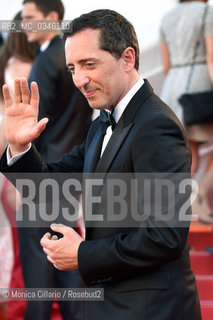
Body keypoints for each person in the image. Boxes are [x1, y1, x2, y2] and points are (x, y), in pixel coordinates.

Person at [0, 9, 201, 320]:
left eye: (89, 64)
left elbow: (165, 236)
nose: (80, 79)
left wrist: (81, 254)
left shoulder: (156, 125)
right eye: (72, 68)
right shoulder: (102, 124)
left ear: (128, 58)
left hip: (150, 311)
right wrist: (19, 145)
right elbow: (48, 185)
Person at [12, 1, 92, 320]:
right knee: (67, 264)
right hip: (69, 173)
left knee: (38, 272)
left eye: (31, 18)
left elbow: (33, 124)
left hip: (43, 175)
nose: (23, 24)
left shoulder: (46, 59)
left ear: (52, 19)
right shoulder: (72, 58)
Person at [160, 0, 213, 223]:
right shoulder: (206, 12)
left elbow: (166, 66)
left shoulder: (167, 18)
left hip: (172, 89)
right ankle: (199, 192)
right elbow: (212, 58)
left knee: (186, 154)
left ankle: (180, 210)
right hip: (200, 86)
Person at [0, 11, 37, 319]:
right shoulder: (22, 67)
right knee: (18, 239)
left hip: (12, 155)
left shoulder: (10, 64)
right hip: (14, 156)